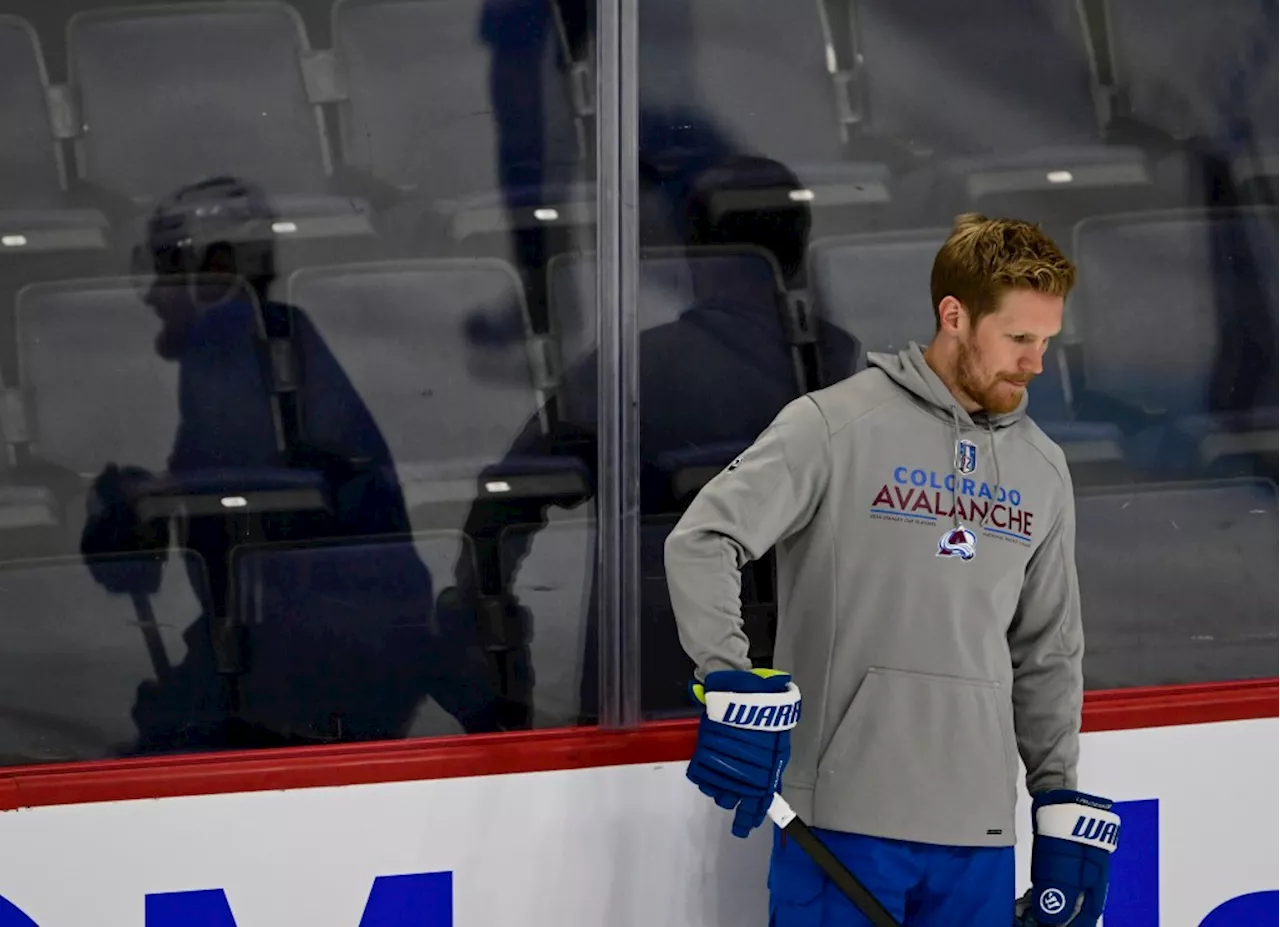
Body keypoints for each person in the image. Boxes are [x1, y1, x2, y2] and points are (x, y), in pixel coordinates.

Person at [664, 214, 1121, 925]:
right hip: (841, 828)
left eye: (1048, 341)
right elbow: (703, 537)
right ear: (955, 316)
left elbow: (1049, 650)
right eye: (1020, 339)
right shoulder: (832, 425)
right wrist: (727, 674)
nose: (1037, 363)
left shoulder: (1043, 468)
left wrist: (1055, 791)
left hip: (980, 834)